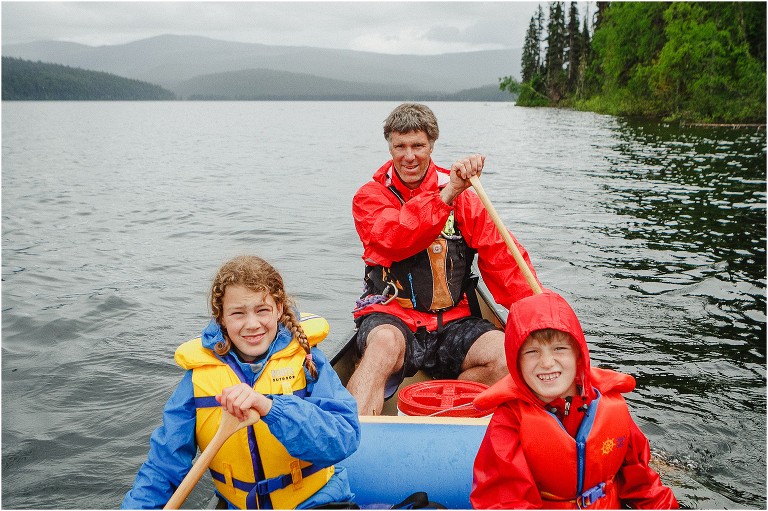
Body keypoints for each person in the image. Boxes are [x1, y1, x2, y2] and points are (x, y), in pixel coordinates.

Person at [121, 255, 360, 509]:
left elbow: (344, 439)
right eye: (238, 313)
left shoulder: (308, 360)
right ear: (221, 318)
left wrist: (271, 408)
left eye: (262, 310)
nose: (252, 324)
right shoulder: (198, 378)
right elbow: (162, 466)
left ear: (279, 309)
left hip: (315, 502)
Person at [348, 102, 541, 415]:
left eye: (418, 146)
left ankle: (445, 407)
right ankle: (349, 436)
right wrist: (447, 194)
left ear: (432, 145)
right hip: (394, 317)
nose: (409, 156)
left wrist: (540, 319)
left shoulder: (465, 196)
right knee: (381, 347)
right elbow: (397, 238)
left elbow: (503, 259)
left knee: (510, 359)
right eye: (400, 146)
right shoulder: (369, 197)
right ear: (390, 146)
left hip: (453, 321)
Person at [470, 290, 679, 509]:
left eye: (559, 349)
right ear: (516, 363)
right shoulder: (509, 422)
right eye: (532, 352)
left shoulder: (611, 405)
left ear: (578, 355)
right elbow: (506, 503)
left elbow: (646, 487)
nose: (547, 363)